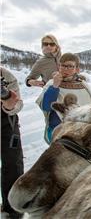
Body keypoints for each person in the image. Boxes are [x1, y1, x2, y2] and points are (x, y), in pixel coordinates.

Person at [36, 53, 91, 144]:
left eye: (70, 66)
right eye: (63, 66)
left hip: (83, 129)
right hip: (59, 130)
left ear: (77, 69)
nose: (66, 69)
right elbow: (46, 106)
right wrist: (55, 86)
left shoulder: (83, 85)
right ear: (59, 67)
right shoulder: (52, 83)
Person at [1, 67, 24, 219]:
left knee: (13, 164)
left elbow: (18, 103)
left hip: (6, 122)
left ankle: (13, 209)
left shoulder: (6, 75)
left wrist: (10, 106)